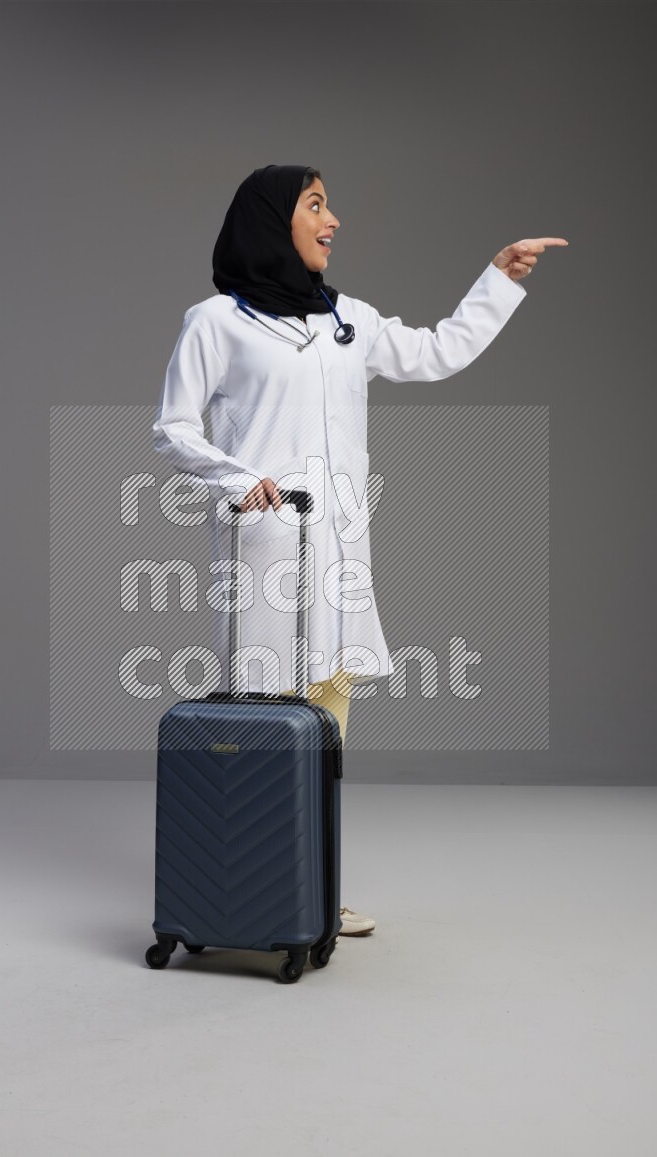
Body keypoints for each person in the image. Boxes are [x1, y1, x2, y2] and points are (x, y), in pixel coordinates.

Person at [153, 164, 567, 935]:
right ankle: (251, 895)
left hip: (340, 550)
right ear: (273, 221)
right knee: (263, 722)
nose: (333, 219)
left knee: (326, 730)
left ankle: (310, 889)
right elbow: (173, 428)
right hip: (266, 548)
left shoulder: (347, 320)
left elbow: (436, 352)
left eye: (329, 204)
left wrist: (498, 280)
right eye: (316, 205)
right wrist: (238, 478)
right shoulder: (217, 321)